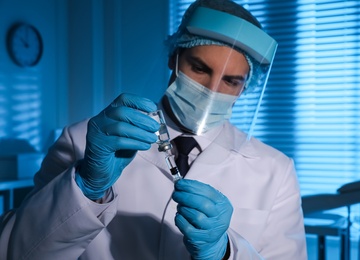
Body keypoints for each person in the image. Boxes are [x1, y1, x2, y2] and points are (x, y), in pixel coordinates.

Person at [0, 0, 307, 259]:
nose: (212, 90)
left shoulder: (274, 170)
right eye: (199, 68)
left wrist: (225, 251)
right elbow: (16, 252)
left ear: (245, 87)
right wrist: (85, 186)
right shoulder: (82, 141)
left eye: (231, 81)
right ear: (174, 59)